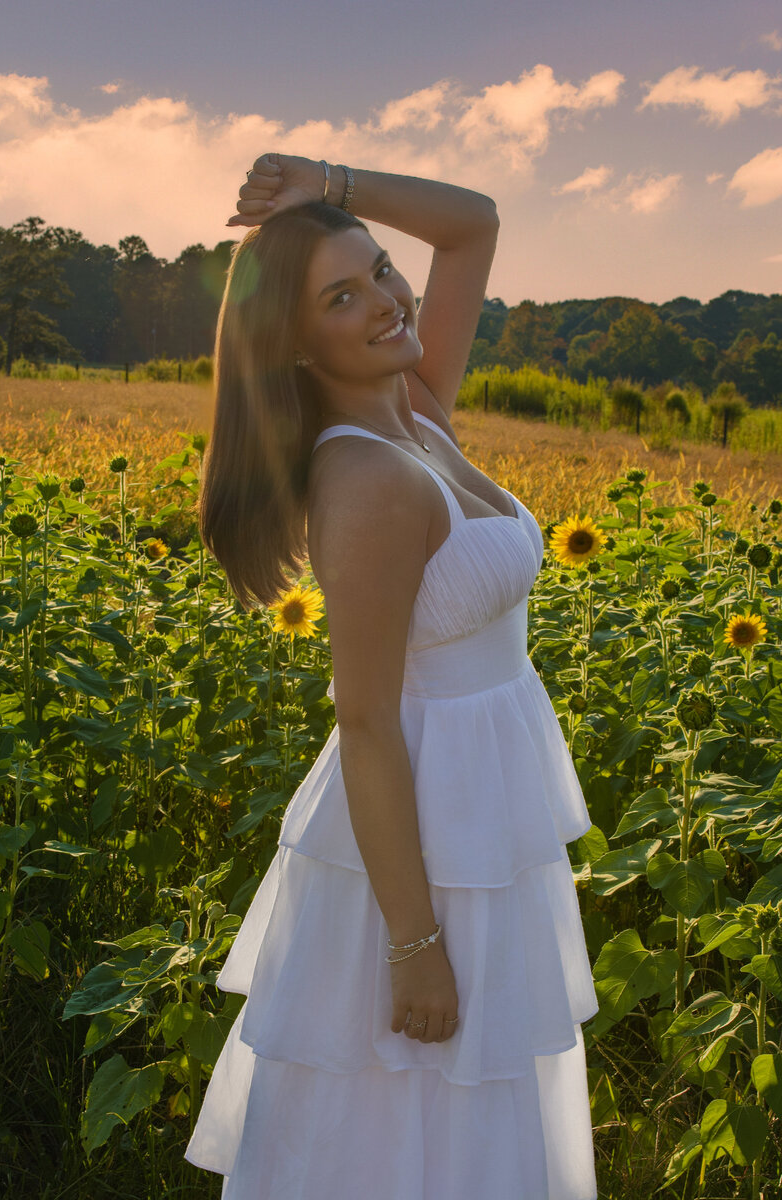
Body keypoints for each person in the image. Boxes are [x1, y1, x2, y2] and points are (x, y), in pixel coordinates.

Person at [184, 152, 599, 1199]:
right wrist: (412, 944)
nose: (384, 298)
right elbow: (365, 723)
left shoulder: (413, 407)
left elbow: (470, 226)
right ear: (294, 342)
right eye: (341, 294)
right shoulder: (365, 476)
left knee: (464, 1109)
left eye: (376, 271)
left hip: (479, 822)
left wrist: (326, 185)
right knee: (396, 1117)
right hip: (414, 848)